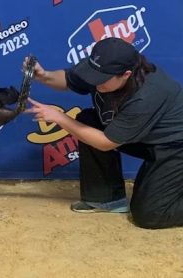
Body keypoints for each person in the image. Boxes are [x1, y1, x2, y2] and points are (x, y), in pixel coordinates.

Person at [25, 37, 183, 229]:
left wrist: (60, 118)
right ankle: (107, 199)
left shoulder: (147, 94)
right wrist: (44, 75)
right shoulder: (101, 66)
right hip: (146, 136)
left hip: (174, 146)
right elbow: (68, 80)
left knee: (149, 215)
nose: (94, 82)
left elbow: (106, 142)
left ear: (125, 74)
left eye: (101, 80)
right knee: (89, 120)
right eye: (93, 74)